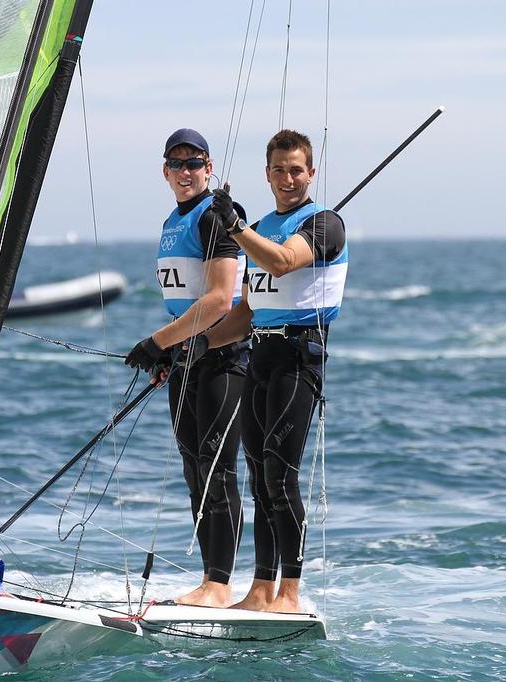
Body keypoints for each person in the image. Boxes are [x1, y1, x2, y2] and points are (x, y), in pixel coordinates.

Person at [190, 129, 347, 613]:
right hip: (259, 356)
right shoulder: (260, 226)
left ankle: (291, 595)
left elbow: (282, 263)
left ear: (311, 173)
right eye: (279, 170)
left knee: (282, 476)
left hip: (299, 358)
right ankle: (260, 591)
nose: (287, 178)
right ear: (267, 174)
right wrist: (188, 349)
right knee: (260, 479)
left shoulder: (325, 224)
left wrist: (236, 229)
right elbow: (244, 312)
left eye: (296, 169)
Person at [124, 128, 248, 608]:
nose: (185, 172)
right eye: (176, 164)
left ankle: (219, 585)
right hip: (187, 358)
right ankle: (209, 580)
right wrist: (170, 352)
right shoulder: (171, 222)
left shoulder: (216, 217)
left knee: (217, 467)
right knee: (194, 468)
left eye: (194, 163)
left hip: (224, 356)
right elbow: (184, 302)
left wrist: (158, 343)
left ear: (208, 167)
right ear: (164, 171)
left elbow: (220, 299)